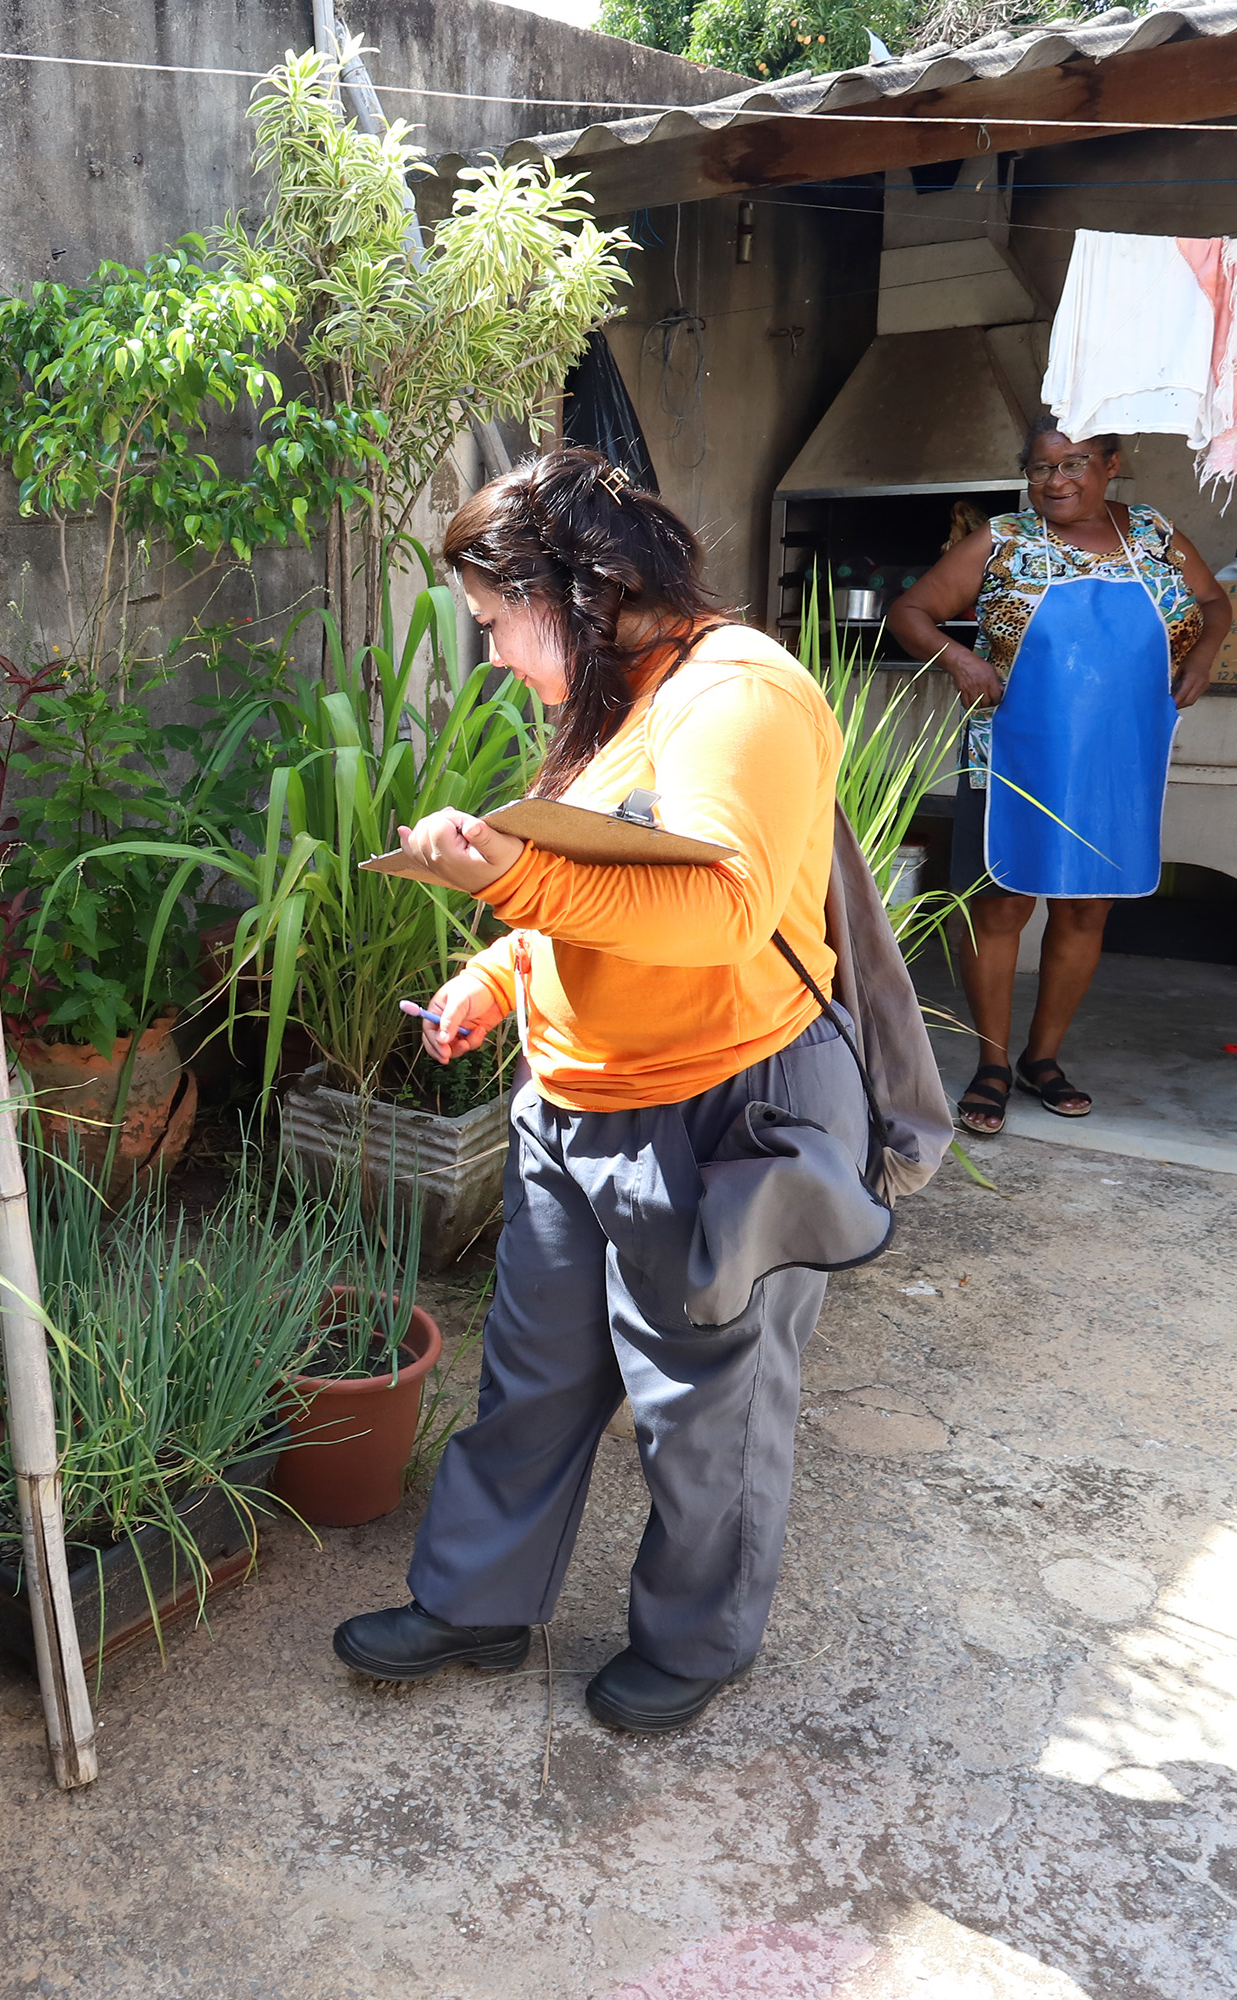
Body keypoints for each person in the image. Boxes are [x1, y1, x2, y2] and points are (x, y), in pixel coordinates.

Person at [330, 447, 860, 1735]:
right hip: (571, 1107)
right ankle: (475, 1601)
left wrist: (511, 880)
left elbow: (723, 909)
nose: (499, 658)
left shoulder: (740, 695)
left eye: (499, 624)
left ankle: (696, 1639)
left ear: (576, 586)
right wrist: (497, 976)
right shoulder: (623, 700)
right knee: (533, 1375)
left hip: (715, 1110)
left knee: (702, 1407)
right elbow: (597, 878)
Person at [887, 425, 1230, 1136]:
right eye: (1041, 467)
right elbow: (910, 612)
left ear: (1111, 466)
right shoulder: (1002, 540)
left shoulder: (1157, 536)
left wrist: (1205, 658)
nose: (1056, 480)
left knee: (1086, 909)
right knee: (1003, 904)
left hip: (1117, 754)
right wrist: (961, 662)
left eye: (1073, 464)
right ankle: (991, 1063)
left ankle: (1044, 1059)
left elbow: (1215, 605)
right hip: (1013, 750)